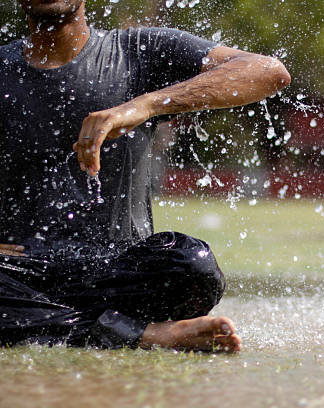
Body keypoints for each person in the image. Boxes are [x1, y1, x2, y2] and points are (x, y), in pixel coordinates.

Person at [0, 0, 290, 351]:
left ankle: (46, 324)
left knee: (192, 267)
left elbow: (267, 71)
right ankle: (139, 333)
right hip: (19, 271)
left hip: (117, 274)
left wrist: (144, 106)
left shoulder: (138, 51)